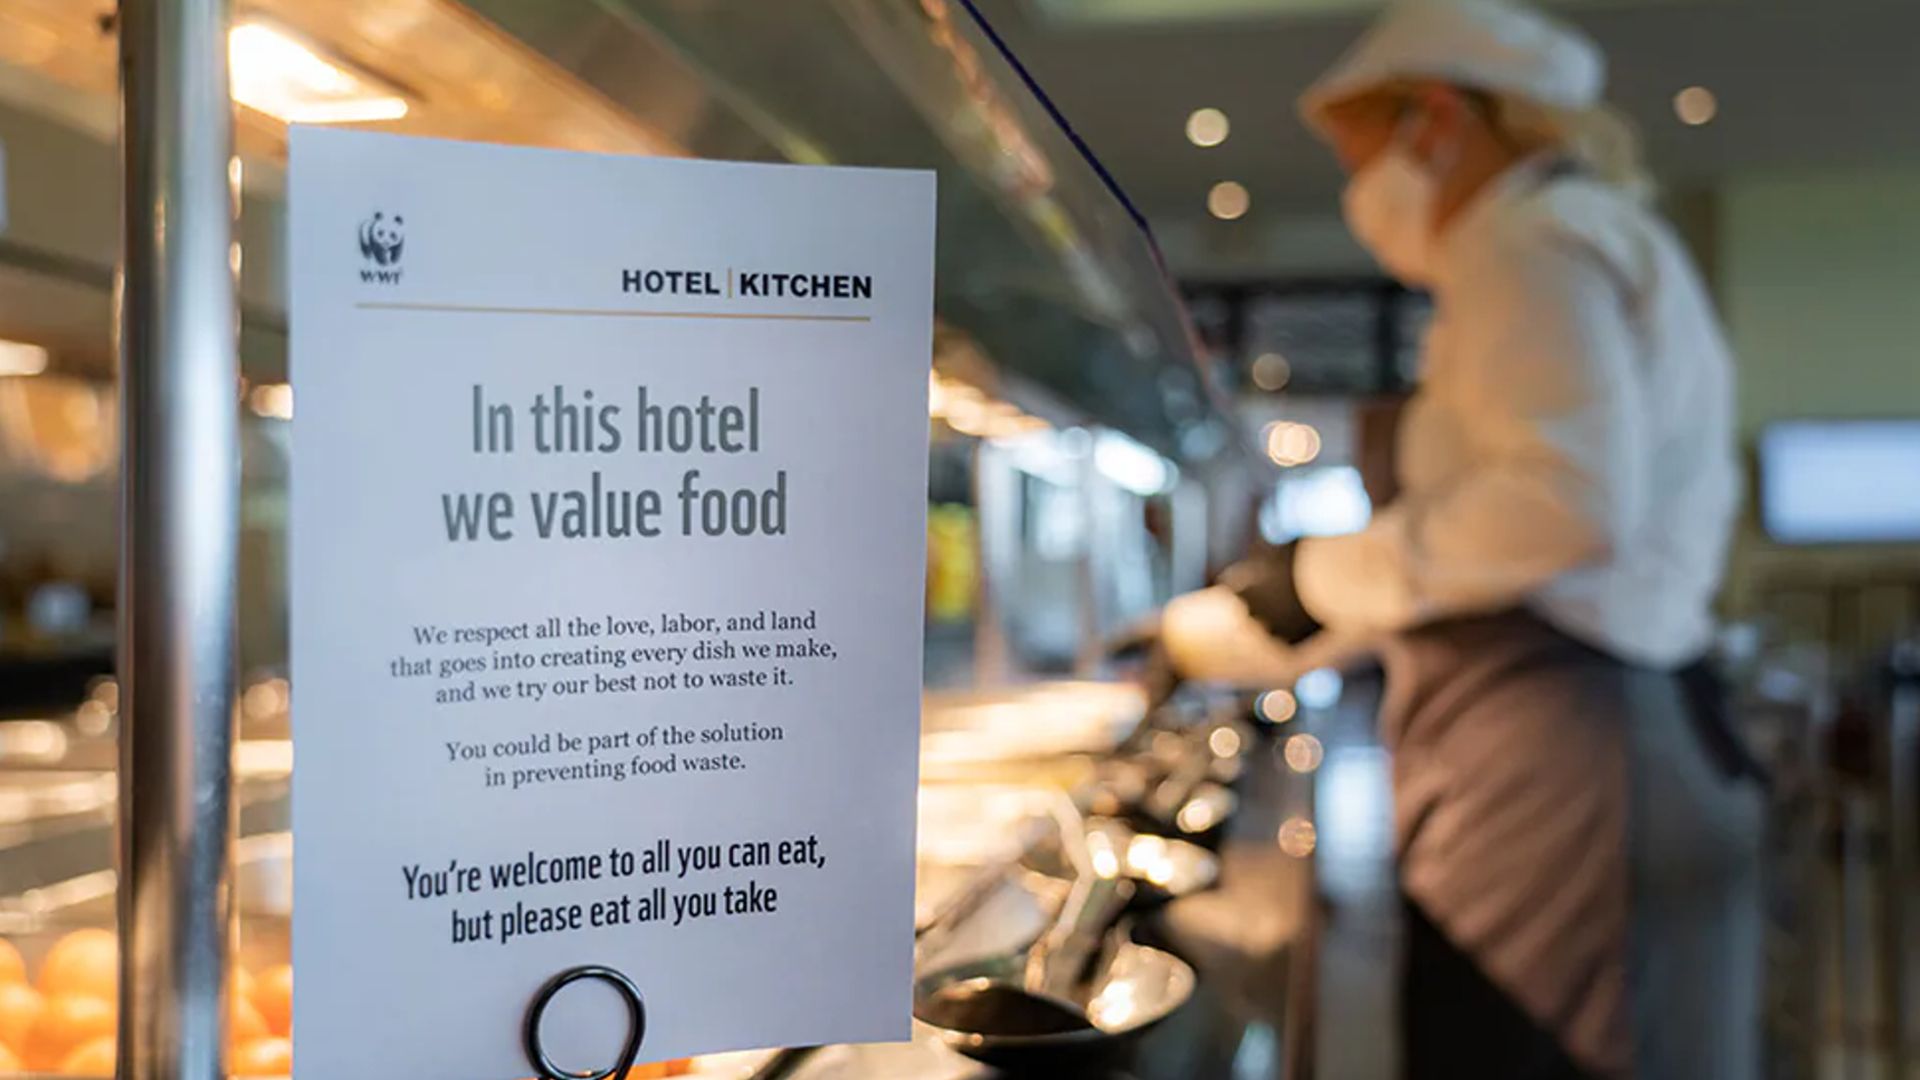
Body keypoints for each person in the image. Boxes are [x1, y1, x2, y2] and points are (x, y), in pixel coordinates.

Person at [1206, 1, 1763, 1076]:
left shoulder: (1528, 239)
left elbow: (1562, 503)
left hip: (1570, 754)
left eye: (1358, 155)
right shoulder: (1578, 233)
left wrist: (1318, 572)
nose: (1357, 191)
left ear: (1439, 120)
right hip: (1609, 728)